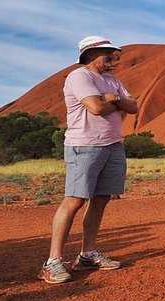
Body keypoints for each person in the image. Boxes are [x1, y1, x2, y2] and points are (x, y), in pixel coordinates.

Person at [39, 36, 138, 284]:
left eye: (115, 55)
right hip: (84, 146)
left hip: (113, 145)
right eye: (109, 55)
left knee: (101, 200)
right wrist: (115, 101)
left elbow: (134, 106)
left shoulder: (113, 81)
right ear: (91, 55)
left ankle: (88, 254)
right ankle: (52, 262)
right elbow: (95, 107)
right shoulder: (79, 76)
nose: (114, 59)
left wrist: (113, 98)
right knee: (74, 200)